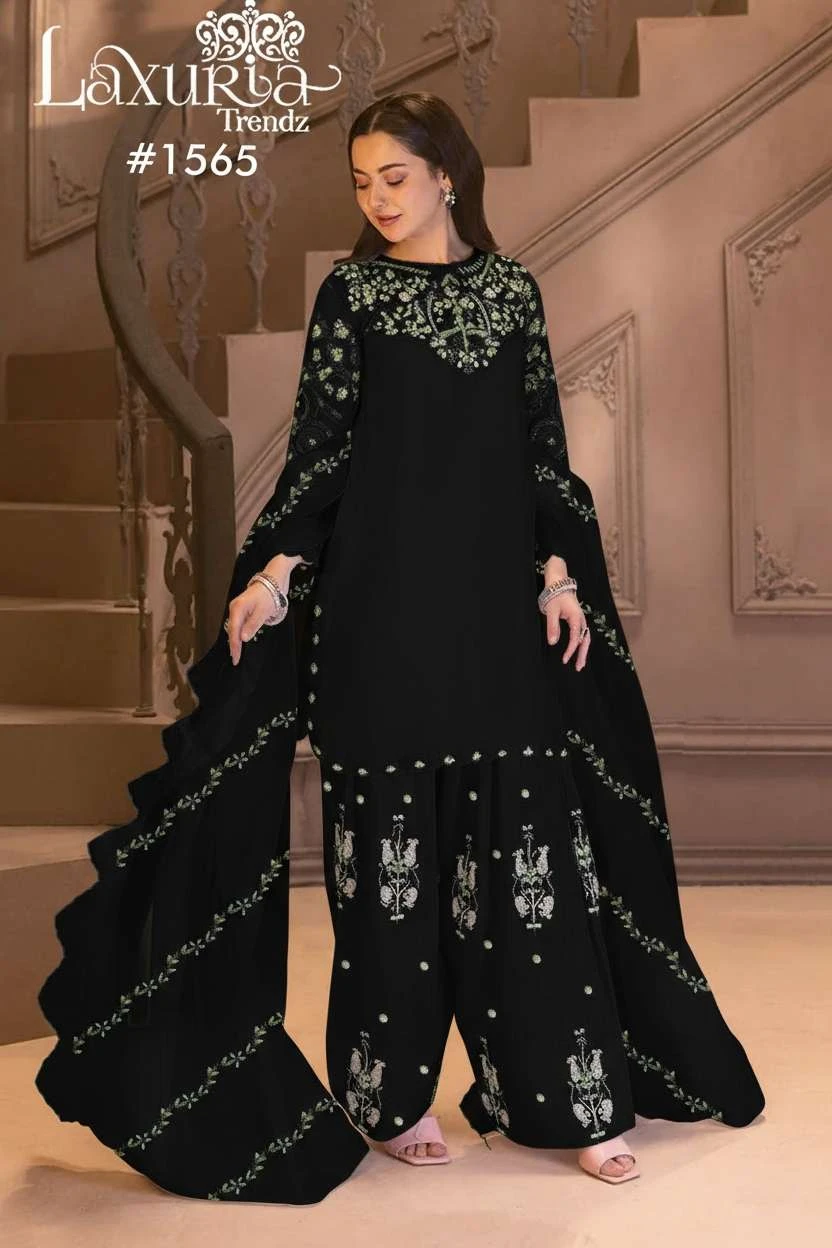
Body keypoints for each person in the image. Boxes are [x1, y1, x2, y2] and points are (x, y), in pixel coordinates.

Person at [34, 92, 765, 1203]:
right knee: (388, 881)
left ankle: (571, 1101)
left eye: (396, 177)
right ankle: (390, 1101)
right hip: (375, 624)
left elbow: (540, 451)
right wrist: (275, 574)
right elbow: (321, 452)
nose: (376, 198)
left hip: (494, 624)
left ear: (446, 177)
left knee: (529, 877)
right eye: (362, 180)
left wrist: (559, 575)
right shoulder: (354, 296)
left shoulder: (510, 292)